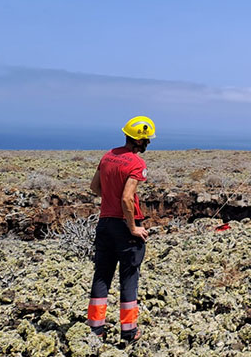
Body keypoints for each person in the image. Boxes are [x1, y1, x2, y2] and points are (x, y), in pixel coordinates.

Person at [86, 116, 154, 343]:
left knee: (102, 276)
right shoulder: (136, 163)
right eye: (147, 140)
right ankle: (129, 331)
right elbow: (127, 199)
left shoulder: (108, 157)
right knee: (129, 278)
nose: (148, 144)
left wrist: (110, 201)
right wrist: (132, 227)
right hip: (124, 228)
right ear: (139, 140)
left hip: (104, 225)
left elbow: (94, 187)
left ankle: (95, 330)